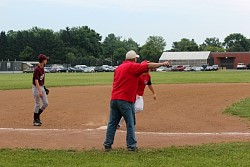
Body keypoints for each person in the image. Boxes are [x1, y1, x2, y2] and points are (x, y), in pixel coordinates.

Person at [103, 50, 169, 151]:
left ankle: (107, 145)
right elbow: (148, 66)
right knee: (130, 123)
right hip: (125, 99)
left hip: (114, 98)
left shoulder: (118, 68)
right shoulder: (132, 66)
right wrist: (162, 64)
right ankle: (131, 146)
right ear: (134, 59)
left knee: (112, 123)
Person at [117, 63, 156, 128]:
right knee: (135, 109)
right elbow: (130, 85)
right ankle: (119, 123)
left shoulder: (148, 76)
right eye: (148, 69)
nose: (149, 70)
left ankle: (123, 116)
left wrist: (154, 93)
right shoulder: (137, 76)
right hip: (132, 94)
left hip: (139, 95)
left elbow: (149, 84)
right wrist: (134, 93)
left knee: (139, 108)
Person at [32, 54, 49, 126]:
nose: (46, 60)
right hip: (36, 87)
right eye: (45, 59)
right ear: (43, 61)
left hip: (41, 86)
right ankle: (35, 120)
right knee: (38, 104)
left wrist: (44, 88)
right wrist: (39, 91)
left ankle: (37, 116)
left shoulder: (42, 68)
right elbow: (36, 81)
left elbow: (41, 79)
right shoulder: (37, 69)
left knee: (45, 103)